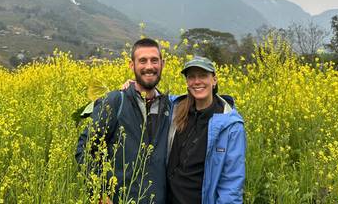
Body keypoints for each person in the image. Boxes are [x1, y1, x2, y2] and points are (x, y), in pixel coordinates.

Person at [76, 38, 172, 204]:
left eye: (154, 60)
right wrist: (98, 192)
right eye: (142, 61)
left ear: (162, 64)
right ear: (131, 65)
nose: (149, 66)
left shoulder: (170, 107)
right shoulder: (116, 101)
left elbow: (202, 97)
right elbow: (84, 149)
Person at [167, 56, 246, 204]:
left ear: (214, 80)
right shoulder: (176, 109)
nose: (197, 81)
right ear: (187, 82)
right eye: (191, 77)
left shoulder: (231, 125)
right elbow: (153, 97)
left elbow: (232, 185)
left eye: (203, 75)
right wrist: (134, 86)